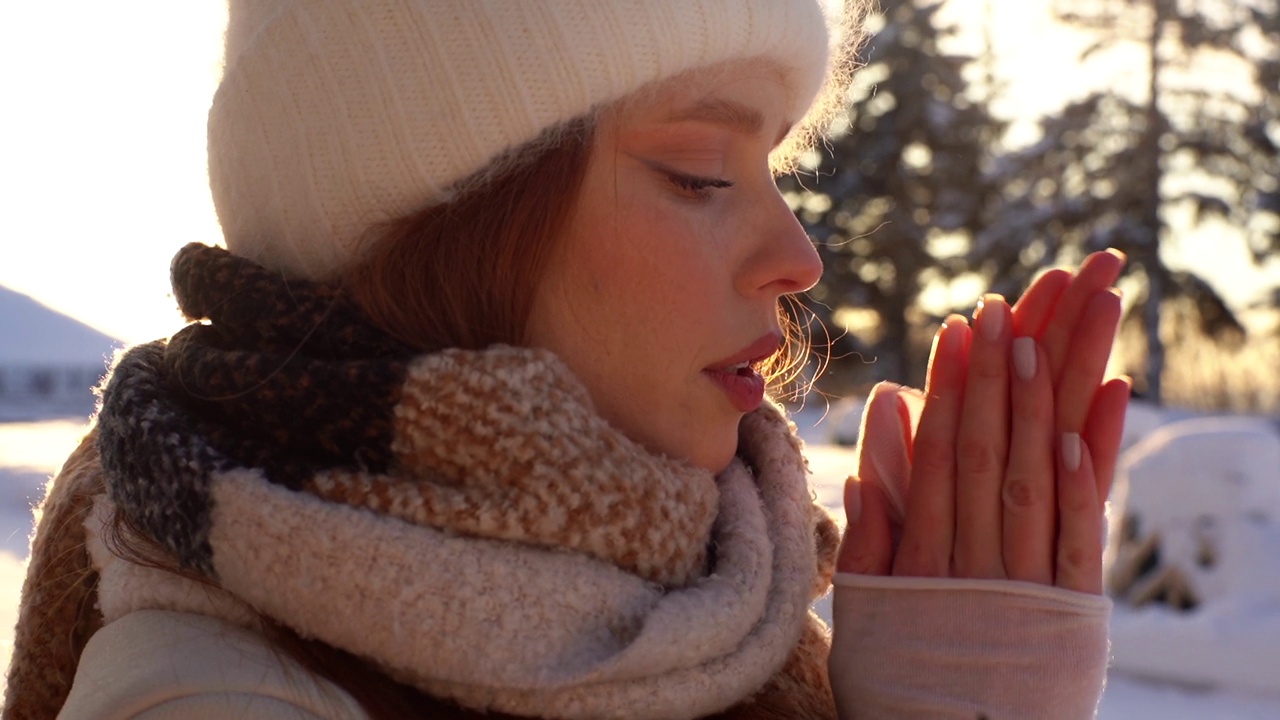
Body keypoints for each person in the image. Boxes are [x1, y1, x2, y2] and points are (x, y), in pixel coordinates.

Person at [3, 1, 1127, 718]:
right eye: (697, 172)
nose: (797, 255)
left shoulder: (726, 622)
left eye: (775, 169)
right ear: (456, 220)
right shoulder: (214, 699)